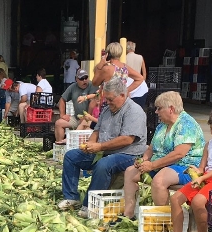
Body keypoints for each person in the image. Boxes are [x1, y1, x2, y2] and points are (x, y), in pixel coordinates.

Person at [58, 77, 146, 218]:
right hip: (104, 149)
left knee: (103, 165)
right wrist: (90, 144)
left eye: (111, 99)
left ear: (122, 95)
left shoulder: (134, 111)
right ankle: (71, 197)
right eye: (107, 99)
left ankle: (89, 205)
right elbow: (97, 131)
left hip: (128, 154)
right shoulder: (106, 110)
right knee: (71, 156)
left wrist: (99, 146)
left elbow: (127, 139)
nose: (108, 102)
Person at [121, 91, 205, 220]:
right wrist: (143, 160)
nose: (156, 112)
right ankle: (128, 214)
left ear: (171, 108)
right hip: (161, 165)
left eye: (159, 108)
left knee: (159, 180)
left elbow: (179, 154)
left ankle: (163, 222)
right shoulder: (162, 125)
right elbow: (151, 148)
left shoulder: (187, 124)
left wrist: (152, 165)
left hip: (185, 167)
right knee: (131, 172)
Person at [91, 42, 145, 117]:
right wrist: (126, 90)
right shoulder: (125, 67)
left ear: (108, 53)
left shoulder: (107, 69)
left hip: (109, 101)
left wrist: (99, 66)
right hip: (122, 100)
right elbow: (140, 78)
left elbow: (95, 82)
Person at [54, 69, 97, 144]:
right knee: (58, 123)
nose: (84, 80)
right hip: (76, 117)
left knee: (85, 127)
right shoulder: (72, 87)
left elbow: (94, 101)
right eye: (81, 79)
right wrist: (62, 114)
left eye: (86, 78)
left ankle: (71, 143)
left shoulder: (92, 86)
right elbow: (62, 100)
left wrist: (87, 117)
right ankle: (59, 146)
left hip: (89, 118)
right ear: (76, 79)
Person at [124, 42, 149, 108]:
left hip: (128, 84)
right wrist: (142, 83)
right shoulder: (140, 57)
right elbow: (144, 73)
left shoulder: (124, 58)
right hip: (139, 83)